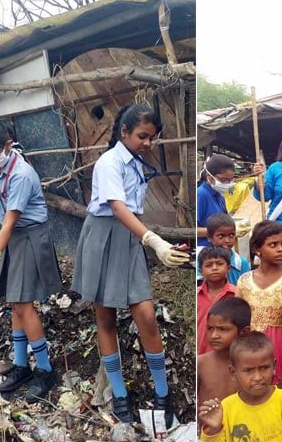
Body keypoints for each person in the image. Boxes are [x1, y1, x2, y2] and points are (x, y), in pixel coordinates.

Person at [71, 104, 190, 425]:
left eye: (152, 138)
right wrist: (153, 240)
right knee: (105, 317)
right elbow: (116, 207)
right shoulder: (109, 162)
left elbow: (132, 214)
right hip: (103, 236)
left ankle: (163, 393)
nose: (148, 143)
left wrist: (151, 240)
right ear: (124, 132)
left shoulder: (136, 162)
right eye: (142, 136)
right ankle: (120, 394)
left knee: (147, 317)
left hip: (128, 238)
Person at [0, 120, 63, 402]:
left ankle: (46, 370)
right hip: (15, 236)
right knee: (15, 303)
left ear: (7, 146)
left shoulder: (21, 174)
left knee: (24, 305)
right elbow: (3, 206)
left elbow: (12, 221)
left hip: (29, 237)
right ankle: (22, 365)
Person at [198, 332, 282, 442]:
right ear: (233, 372)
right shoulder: (226, 408)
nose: (258, 377)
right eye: (249, 370)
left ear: (274, 366)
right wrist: (214, 429)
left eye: (264, 368)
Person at [235, 220, 282, 385]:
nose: (280, 249)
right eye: (273, 244)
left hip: (281, 342)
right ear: (257, 249)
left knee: (278, 386)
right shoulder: (245, 280)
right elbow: (237, 314)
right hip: (250, 341)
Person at [197, 298, 252, 407]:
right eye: (210, 328)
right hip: (209, 423)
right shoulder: (201, 363)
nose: (214, 335)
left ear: (244, 332)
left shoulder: (253, 364)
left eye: (223, 329)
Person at [197, 246, 238, 355]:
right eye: (209, 265)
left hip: (229, 355)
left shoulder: (237, 295)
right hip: (200, 353)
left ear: (228, 268)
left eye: (219, 264)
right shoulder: (196, 295)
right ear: (201, 271)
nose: (214, 268)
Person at [195, 213, 251, 286]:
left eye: (231, 235)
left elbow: (246, 289)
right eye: (221, 236)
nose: (227, 240)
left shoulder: (241, 263)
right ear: (209, 237)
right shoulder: (200, 260)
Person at [197, 154, 236, 247]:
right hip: (204, 250)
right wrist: (220, 233)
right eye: (223, 180)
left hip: (220, 249)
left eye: (230, 180)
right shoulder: (201, 194)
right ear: (209, 177)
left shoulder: (220, 196)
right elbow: (193, 230)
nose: (228, 184)